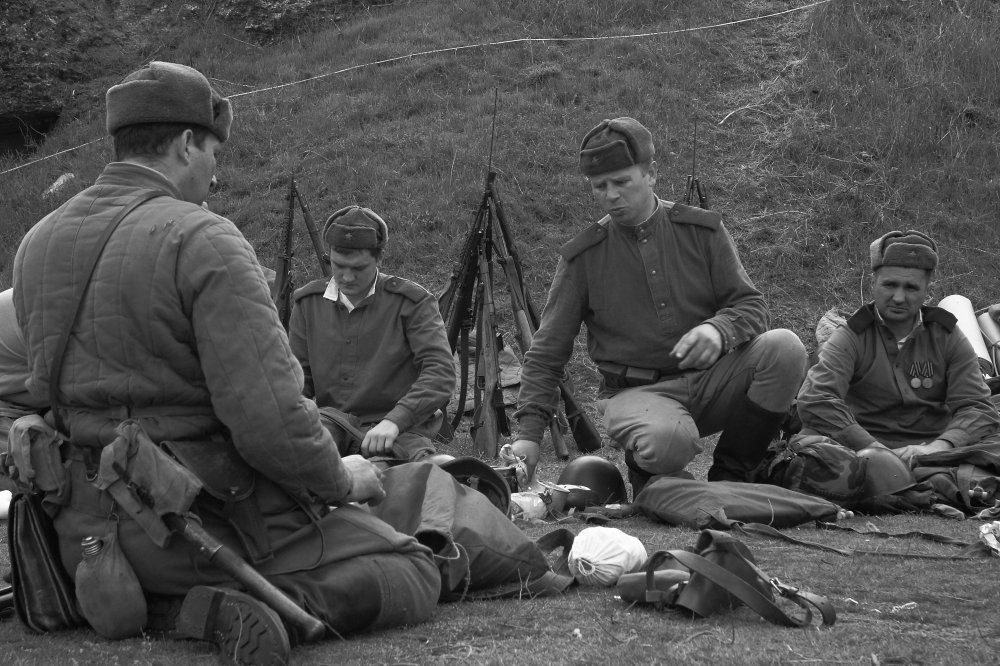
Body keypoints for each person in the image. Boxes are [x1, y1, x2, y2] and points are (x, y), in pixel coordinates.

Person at [12, 61, 439, 663]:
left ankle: (152, 606)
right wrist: (341, 481)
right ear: (187, 143)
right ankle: (226, 608)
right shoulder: (201, 237)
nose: (216, 173)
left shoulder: (36, 242)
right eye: (214, 152)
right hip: (196, 526)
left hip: (84, 537)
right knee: (413, 568)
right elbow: (268, 420)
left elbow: (41, 389)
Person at [508, 117, 807, 495]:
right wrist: (528, 435)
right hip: (636, 394)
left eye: (621, 182)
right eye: (600, 186)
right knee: (668, 441)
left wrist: (719, 330)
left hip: (710, 381)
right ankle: (647, 471)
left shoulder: (702, 232)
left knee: (785, 348)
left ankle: (734, 473)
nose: (611, 195)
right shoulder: (584, 258)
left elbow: (751, 305)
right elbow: (547, 351)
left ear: (650, 175)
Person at [796, 230, 1000, 465]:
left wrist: (939, 447)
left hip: (934, 452)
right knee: (808, 446)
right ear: (873, 283)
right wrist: (874, 449)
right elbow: (816, 399)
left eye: (911, 288)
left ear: (927, 289)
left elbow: (977, 407)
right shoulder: (851, 336)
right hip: (860, 452)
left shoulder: (947, 336)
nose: (899, 297)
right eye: (890, 285)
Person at [288, 206, 455, 464]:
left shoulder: (412, 303)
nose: (346, 277)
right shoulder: (308, 303)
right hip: (331, 423)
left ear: (379, 259)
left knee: (424, 472)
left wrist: (395, 420)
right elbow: (297, 379)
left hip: (398, 430)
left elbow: (440, 373)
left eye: (359, 268)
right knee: (294, 462)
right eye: (338, 265)